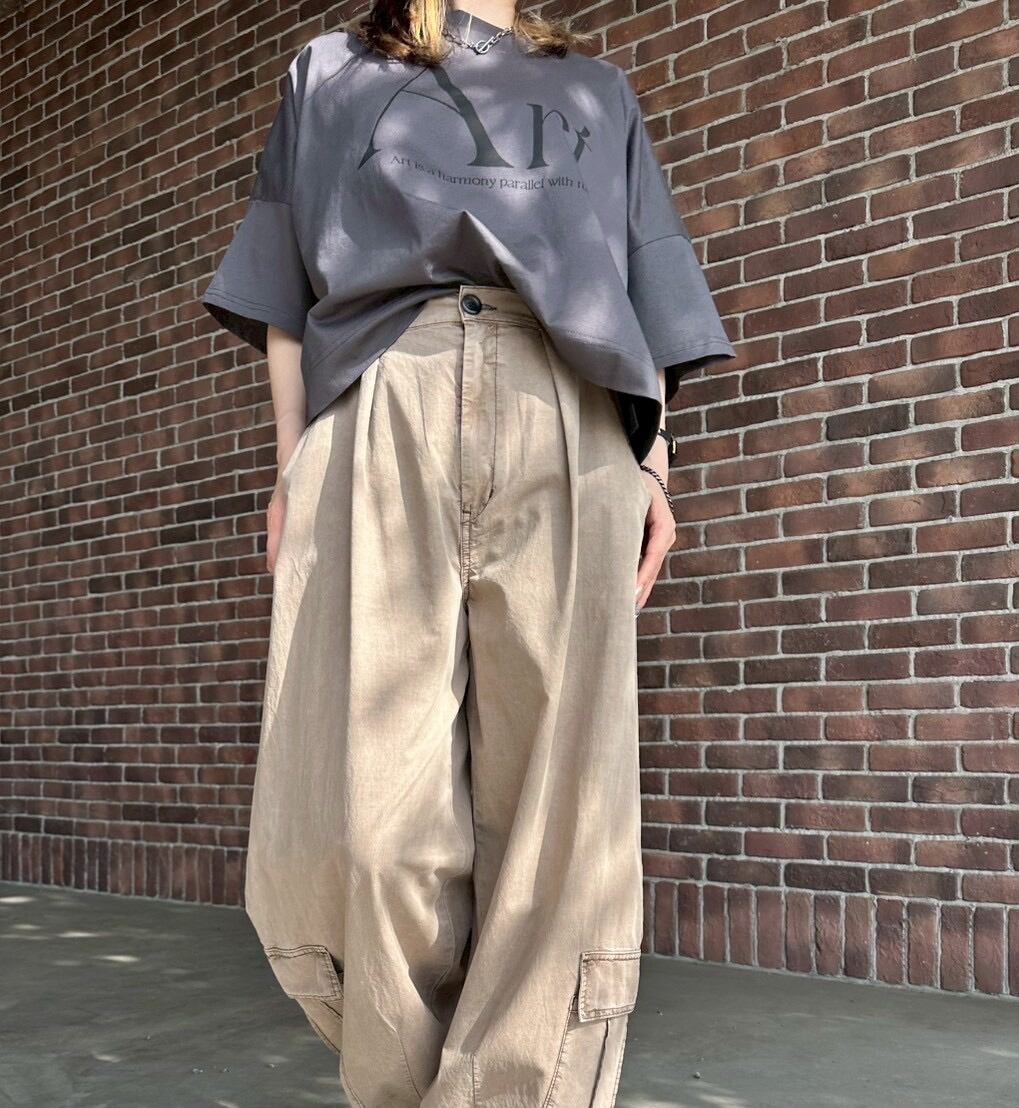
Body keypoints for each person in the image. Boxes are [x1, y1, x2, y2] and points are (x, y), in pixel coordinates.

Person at [198, 2, 734, 1105]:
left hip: (566, 405)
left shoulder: (594, 90)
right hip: (381, 395)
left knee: (563, 809)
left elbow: (641, 284)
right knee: (365, 818)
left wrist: (653, 463)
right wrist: (292, 462)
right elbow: (285, 282)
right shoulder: (329, 70)